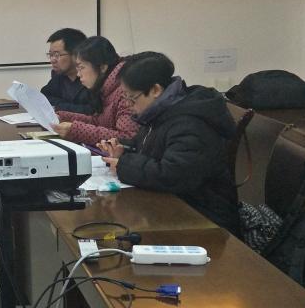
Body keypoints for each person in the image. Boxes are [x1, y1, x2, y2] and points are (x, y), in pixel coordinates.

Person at [98, 52, 241, 236]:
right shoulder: (159, 112)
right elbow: (150, 147)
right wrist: (123, 150)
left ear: (155, 90)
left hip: (205, 220)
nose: (129, 105)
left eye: (132, 98)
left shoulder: (190, 122)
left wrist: (124, 165)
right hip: (174, 207)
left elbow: (174, 174)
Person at [53, 36, 138, 145]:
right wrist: (63, 117)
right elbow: (98, 122)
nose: (78, 74)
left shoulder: (125, 91)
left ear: (102, 67)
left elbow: (126, 137)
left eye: (81, 68)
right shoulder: (106, 88)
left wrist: (75, 131)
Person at [40, 28, 92, 114]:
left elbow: (91, 111)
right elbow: (43, 97)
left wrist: (60, 106)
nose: (52, 60)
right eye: (50, 55)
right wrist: (64, 105)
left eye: (57, 55)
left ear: (76, 54)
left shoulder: (91, 77)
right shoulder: (59, 75)